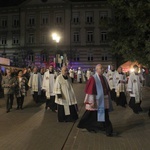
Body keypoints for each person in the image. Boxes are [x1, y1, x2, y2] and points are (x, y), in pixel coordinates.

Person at [77, 64, 114, 136]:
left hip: (104, 100)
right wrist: (91, 101)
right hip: (97, 100)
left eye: (103, 68)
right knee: (91, 114)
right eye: (101, 68)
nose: (102, 69)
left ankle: (102, 127)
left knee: (101, 115)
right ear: (96, 70)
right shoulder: (93, 78)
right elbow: (90, 91)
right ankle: (108, 130)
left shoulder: (103, 77)